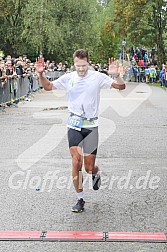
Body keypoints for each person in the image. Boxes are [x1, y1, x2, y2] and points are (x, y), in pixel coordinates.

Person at [35, 49, 126, 213]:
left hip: (91, 126)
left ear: (88, 63)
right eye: (78, 66)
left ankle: (96, 173)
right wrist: (41, 74)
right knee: (76, 162)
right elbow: (48, 86)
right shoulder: (69, 77)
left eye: (84, 66)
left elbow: (121, 86)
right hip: (74, 125)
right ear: (74, 63)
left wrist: (116, 75)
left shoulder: (97, 77)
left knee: (89, 168)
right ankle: (80, 199)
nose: (81, 69)